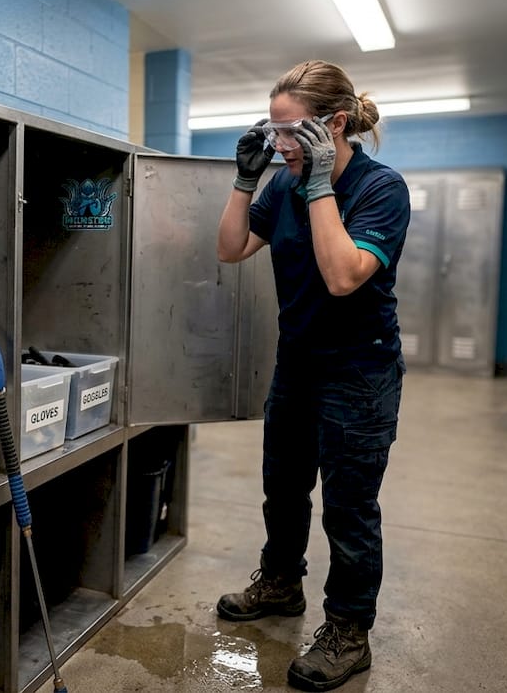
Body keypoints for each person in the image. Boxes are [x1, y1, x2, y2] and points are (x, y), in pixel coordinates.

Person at [214, 59, 410, 692]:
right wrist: (247, 182)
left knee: (349, 509)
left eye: (292, 132)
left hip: (360, 369)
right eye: (273, 133)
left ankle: (350, 632)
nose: (281, 147)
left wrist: (320, 182)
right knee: (283, 486)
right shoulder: (283, 184)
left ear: (337, 125)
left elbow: (343, 275)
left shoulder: (382, 189)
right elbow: (231, 248)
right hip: (297, 361)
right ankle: (280, 583)